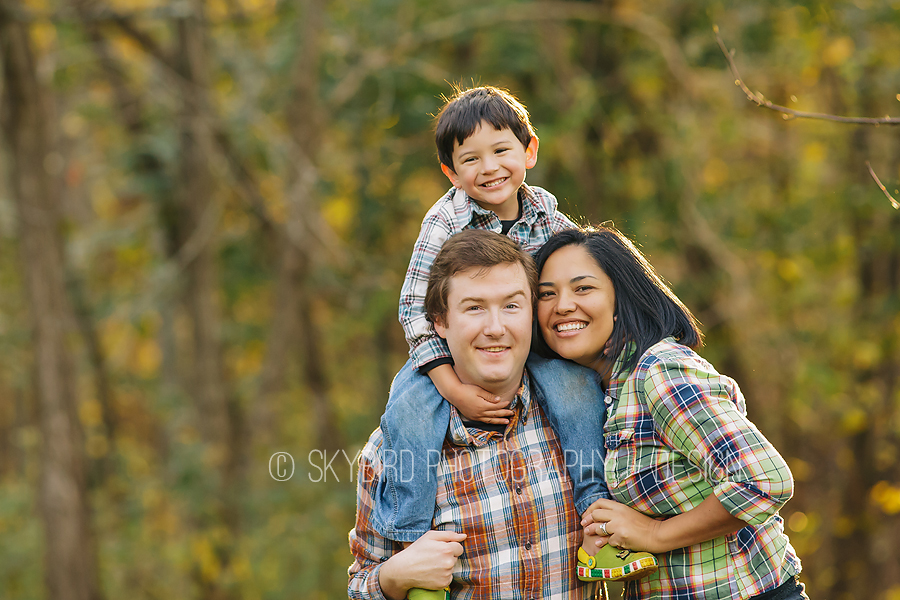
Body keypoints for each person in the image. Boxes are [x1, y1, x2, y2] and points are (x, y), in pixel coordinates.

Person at [350, 230, 649, 600]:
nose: (495, 328)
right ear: (440, 321)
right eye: (474, 308)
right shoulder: (392, 450)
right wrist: (392, 577)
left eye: (511, 306)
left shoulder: (597, 416)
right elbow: (360, 583)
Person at [533, 224, 809, 599]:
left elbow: (763, 480)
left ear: (622, 298)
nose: (562, 305)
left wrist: (655, 534)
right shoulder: (600, 395)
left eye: (583, 288)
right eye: (546, 295)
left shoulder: (658, 371)